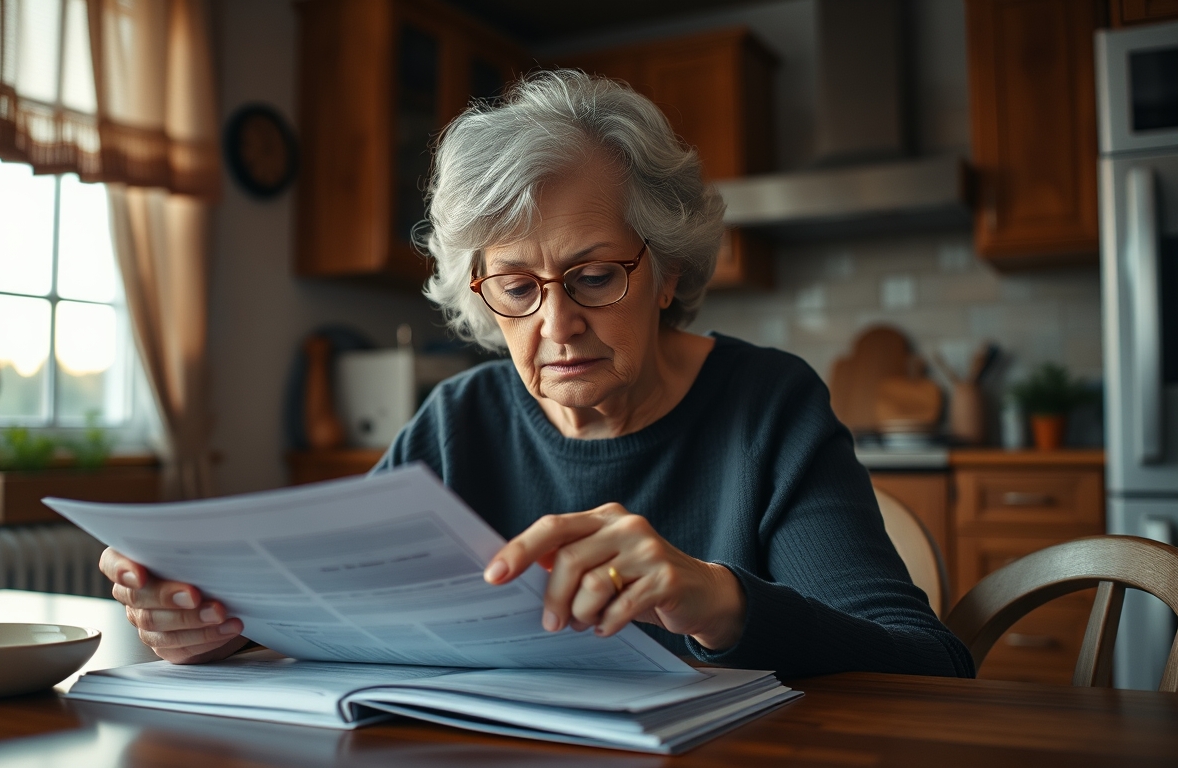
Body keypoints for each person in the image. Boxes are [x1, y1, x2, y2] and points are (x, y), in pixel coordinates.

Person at [100, 70, 975, 678]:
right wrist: (217, 629)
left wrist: (720, 600)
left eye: (593, 276)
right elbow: (340, 612)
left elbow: (929, 664)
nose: (557, 326)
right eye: (518, 287)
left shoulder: (767, 409)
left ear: (667, 272)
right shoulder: (457, 420)